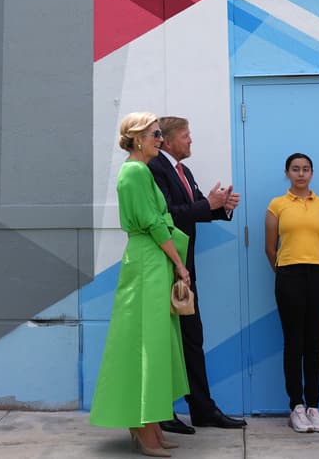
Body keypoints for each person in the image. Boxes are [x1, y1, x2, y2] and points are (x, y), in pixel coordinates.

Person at [90, 112, 192, 457]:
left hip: (152, 260)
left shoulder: (140, 171)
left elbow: (156, 221)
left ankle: (150, 425)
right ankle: (142, 426)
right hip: (149, 261)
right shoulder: (134, 172)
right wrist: (180, 264)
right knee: (147, 341)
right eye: (155, 135)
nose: (160, 140)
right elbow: (151, 222)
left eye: (160, 134)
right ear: (137, 138)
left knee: (157, 341)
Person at [147, 116, 245, 434]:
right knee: (166, 342)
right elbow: (164, 218)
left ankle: (203, 410)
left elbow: (198, 209)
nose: (191, 141)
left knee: (191, 338)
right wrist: (208, 204)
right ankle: (162, 412)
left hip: (184, 272)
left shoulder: (183, 171)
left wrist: (222, 207)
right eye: (187, 136)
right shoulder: (154, 169)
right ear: (169, 140)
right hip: (164, 269)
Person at [264, 153, 319, 433]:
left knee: (314, 343)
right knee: (293, 342)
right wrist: (284, 271)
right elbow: (270, 248)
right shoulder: (277, 205)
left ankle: (314, 407)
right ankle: (296, 405)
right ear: (287, 173)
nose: (301, 174)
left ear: (312, 173)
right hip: (289, 276)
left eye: (306, 169)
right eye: (295, 169)